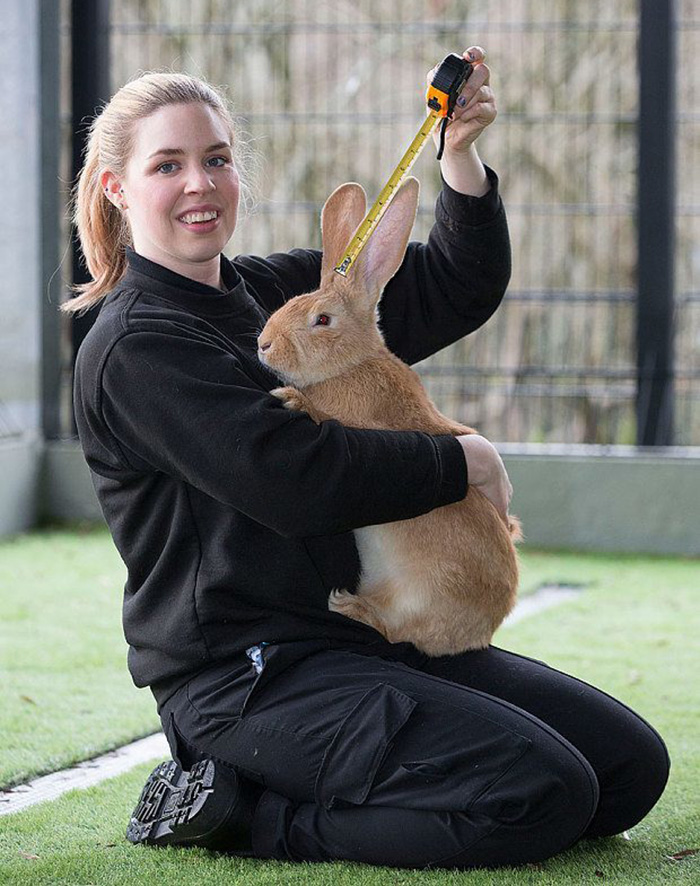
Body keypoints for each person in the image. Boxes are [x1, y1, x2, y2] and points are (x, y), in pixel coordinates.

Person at [67, 50, 669, 869]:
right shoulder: (136, 345)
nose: (200, 184)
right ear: (117, 188)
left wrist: (457, 159)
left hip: (358, 634)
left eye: (215, 160)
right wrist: (461, 462)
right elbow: (290, 479)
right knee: (542, 793)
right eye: (167, 165)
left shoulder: (269, 296)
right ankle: (250, 815)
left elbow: (453, 288)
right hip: (247, 679)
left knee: (629, 768)